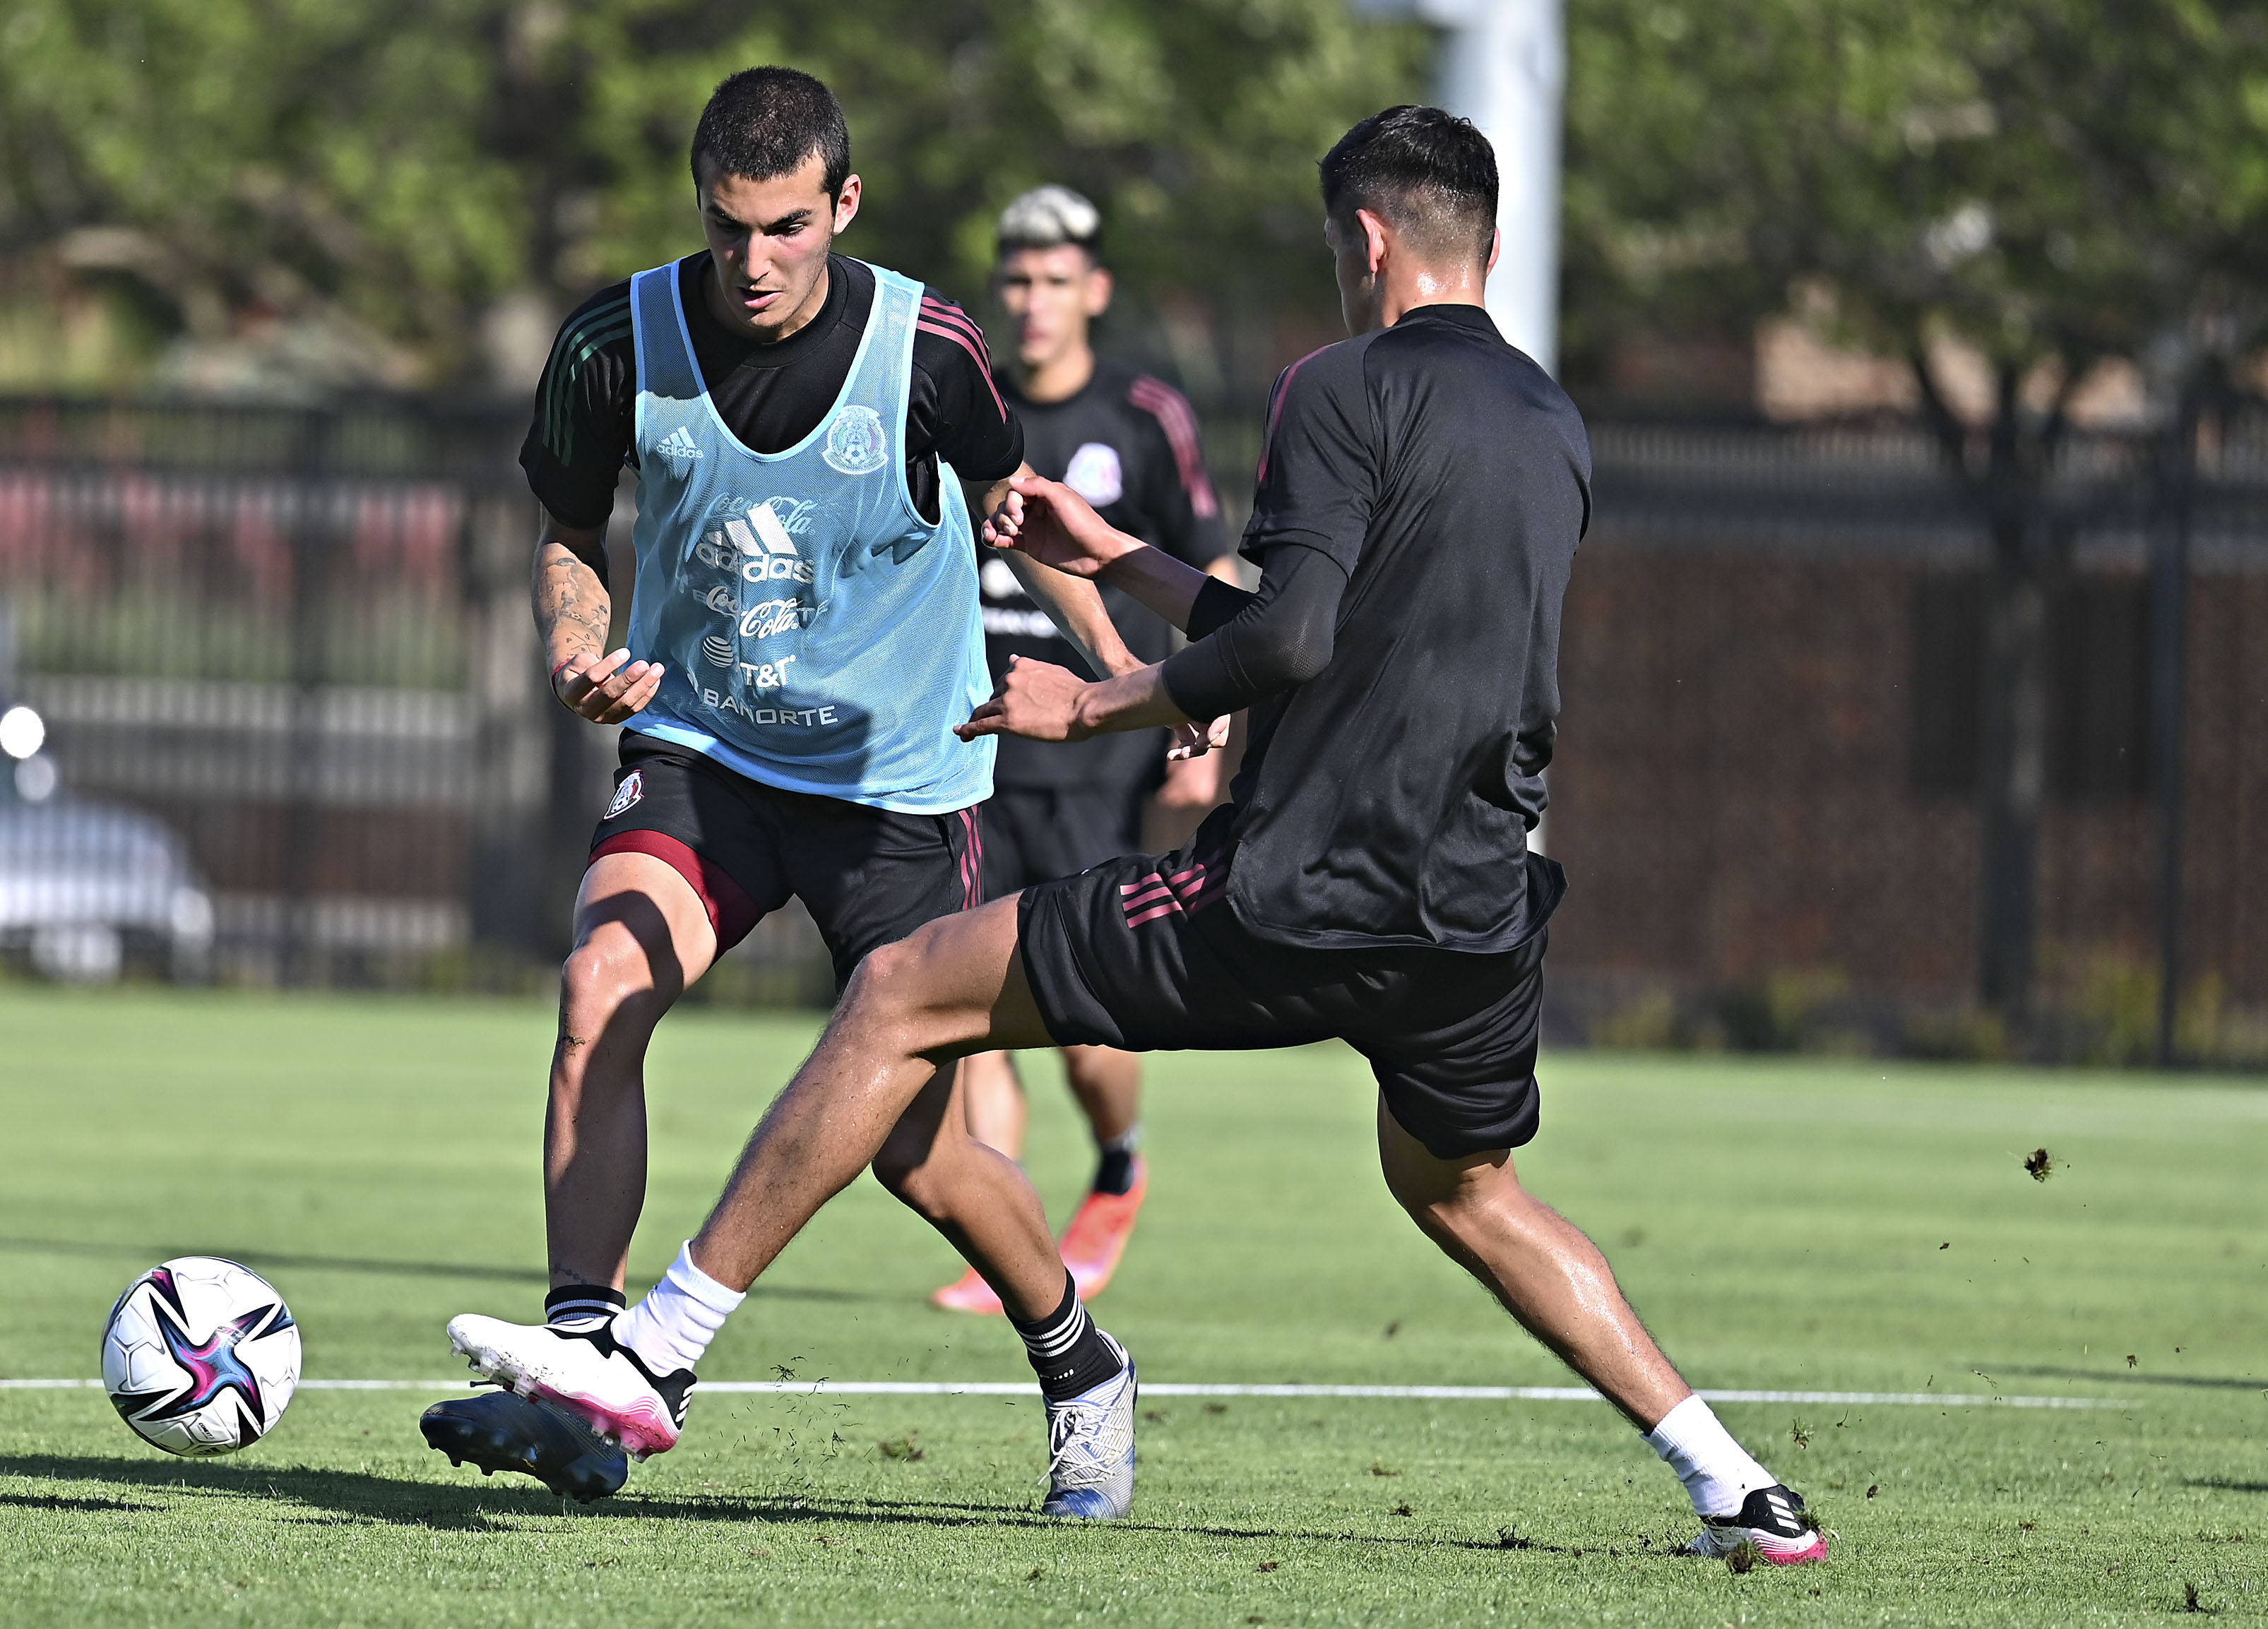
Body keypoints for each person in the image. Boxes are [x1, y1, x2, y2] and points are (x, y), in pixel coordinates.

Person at [444, 106, 1829, 1564]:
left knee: (902, 989)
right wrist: (1125, 561)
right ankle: (1737, 1481)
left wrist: (1100, 702)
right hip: (1473, 912)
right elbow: (1330, 636)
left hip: (1301, 890)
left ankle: (654, 1356)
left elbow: (1288, 639)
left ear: (1364, 242)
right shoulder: (1551, 421)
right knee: (1463, 1190)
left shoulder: (1335, 386)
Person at [420, 65, 1158, 1505]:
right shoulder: (608, 342)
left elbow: (1031, 532)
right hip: (707, 746)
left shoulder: (934, 350)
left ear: (843, 205)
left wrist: (1138, 682)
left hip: (899, 777)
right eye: (725, 227)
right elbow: (569, 534)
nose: (751, 263)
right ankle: (588, 1358)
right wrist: (580, 643)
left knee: (918, 1152)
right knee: (599, 988)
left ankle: (1079, 1359)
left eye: (784, 229)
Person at [930, 184, 1236, 1317]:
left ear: (1095, 291)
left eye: (1057, 280)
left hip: (1097, 757)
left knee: (1075, 1018)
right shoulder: (967, 403)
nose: (1034, 299)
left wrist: (1209, 727)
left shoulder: (1147, 412)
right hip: (971, 744)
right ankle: (997, 1237)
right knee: (965, 1007)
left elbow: (1214, 573)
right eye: (1016, 279)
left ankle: (1117, 1162)